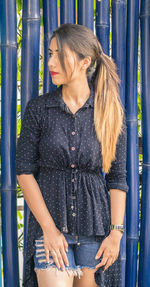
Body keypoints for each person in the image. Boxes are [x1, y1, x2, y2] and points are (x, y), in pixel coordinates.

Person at [15, 23, 128, 287]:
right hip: (50, 229)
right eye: (50, 54)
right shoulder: (39, 109)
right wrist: (49, 229)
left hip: (96, 231)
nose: (51, 62)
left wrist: (116, 234)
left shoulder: (108, 113)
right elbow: (23, 170)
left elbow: (118, 178)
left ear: (84, 61)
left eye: (58, 54)